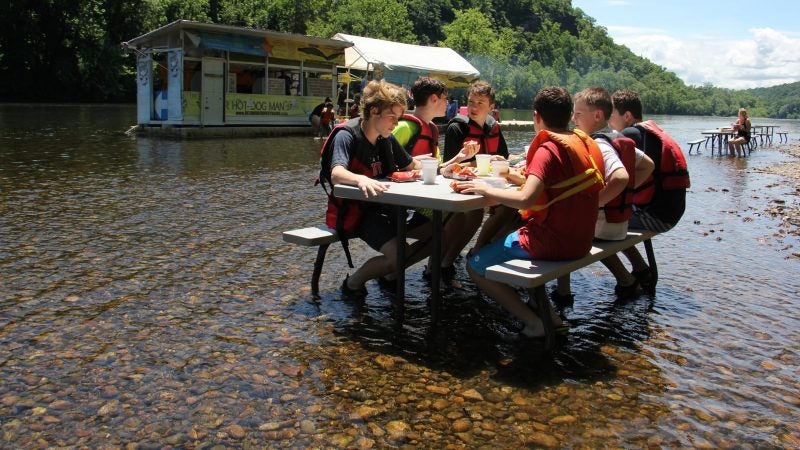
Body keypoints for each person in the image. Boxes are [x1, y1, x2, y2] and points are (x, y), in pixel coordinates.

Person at [458, 86, 605, 338]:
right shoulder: (583, 143)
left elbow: (526, 200)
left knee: (474, 265)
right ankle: (543, 308)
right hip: (581, 240)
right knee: (507, 234)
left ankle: (534, 323)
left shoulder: (547, 150)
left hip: (550, 241)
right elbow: (555, 189)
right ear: (570, 115)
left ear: (536, 116)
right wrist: (513, 176)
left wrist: (485, 189)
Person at [319, 80, 432, 299]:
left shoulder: (386, 138)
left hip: (387, 207)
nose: (396, 123)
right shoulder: (347, 135)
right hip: (359, 212)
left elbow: (411, 165)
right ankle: (353, 283)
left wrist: (450, 165)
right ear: (373, 111)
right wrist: (361, 179)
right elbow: (337, 173)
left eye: (398, 118)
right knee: (400, 254)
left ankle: (389, 273)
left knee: (438, 235)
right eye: (392, 117)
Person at [552, 87, 655, 303]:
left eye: (578, 114)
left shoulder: (599, 144)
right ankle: (630, 278)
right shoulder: (615, 138)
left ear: (597, 115)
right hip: (619, 223)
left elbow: (620, 177)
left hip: (605, 225)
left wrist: (595, 204)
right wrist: (624, 195)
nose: (573, 119)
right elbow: (648, 166)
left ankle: (563, 293)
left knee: (559, 225)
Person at [606, 88, 690, 295]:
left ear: (627, 116)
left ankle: (628, 280)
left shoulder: (629, 136)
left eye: (612, 116)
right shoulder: (649, 132)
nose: (608, 122)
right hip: (670, 212)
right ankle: (642, 270)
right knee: (609, 219)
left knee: (595, 225)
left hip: (654, 215)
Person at [433, 80, 509, 281]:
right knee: (469, 216)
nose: (474, 108)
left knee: (507, 210)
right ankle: (439, 264)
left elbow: (504, 158)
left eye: (480, 103)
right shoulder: (457, 128)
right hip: (455, 187)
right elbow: (448, 169)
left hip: (485, 187)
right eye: (471, 102)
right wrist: (475, 162)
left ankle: (467, 255)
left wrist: (498, 160)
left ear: (491, 107)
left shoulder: (494, 128)